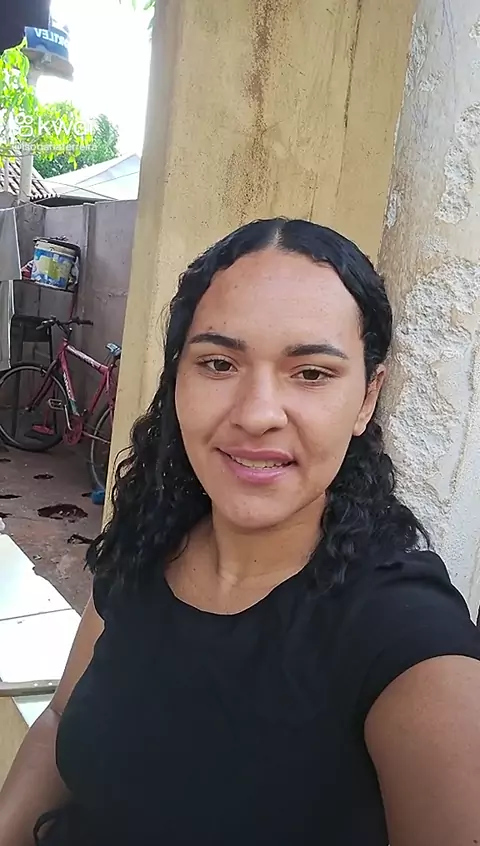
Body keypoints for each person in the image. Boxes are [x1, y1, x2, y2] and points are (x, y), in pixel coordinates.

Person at [1, 217, 479, 846]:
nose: (256, 414)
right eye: (220, 363)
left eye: (311, 373)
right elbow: (61, 716)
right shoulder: (148, 545)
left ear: (367, 397)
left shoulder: (408, 639)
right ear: (178, 377)